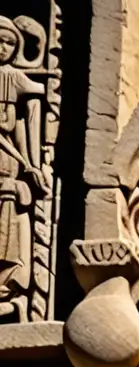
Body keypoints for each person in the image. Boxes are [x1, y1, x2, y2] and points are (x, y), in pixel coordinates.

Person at [0, 16, 45, 321]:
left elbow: (41, 90)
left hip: (7, 164)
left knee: (9, 216)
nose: (3, 47)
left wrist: (30, 162)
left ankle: (8, 286)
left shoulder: (13, 77)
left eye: (9, 43)